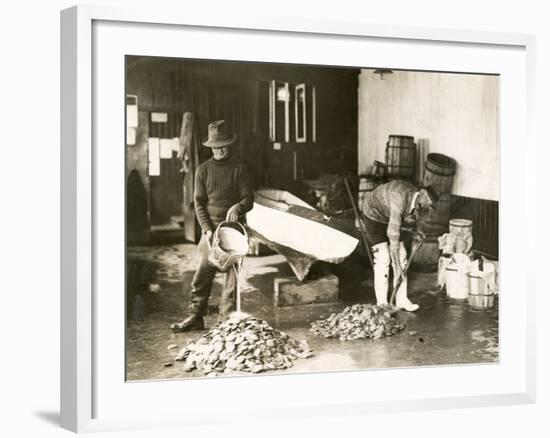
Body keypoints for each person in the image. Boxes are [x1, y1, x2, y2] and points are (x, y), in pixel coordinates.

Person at [171, 120, 254, 332]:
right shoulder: (202, 170)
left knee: (232, 280)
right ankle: (195, 316)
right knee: (202, 275)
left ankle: (226, 322)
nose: (219, 150)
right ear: (210, 147)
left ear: (230, 144)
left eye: (224, 145)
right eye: (215, 146)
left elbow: (249, 199)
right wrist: (207, 230)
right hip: (210, 231)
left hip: (233, 231)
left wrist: (239, 206)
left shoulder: (240, 168)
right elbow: (198, 203)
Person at [362, 180, 438, 311]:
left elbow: (421, 220)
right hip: (374, 215)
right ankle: (382, 304)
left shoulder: (423, 204)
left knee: (402, 255)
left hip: (391, 215)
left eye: (430, 205)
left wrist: (418, 233)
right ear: (422, 193)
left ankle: (402, 300)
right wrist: (396, 267)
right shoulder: (399, 196)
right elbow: (393, 234)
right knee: (383, 257)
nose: (428, 206)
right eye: (428, 203)